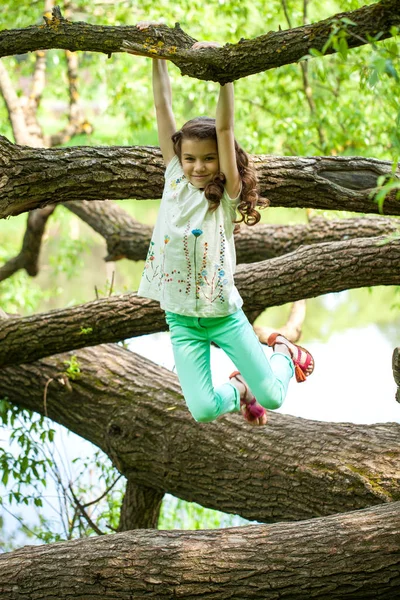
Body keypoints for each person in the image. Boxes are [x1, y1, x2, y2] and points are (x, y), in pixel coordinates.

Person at [131, 23, 314, 426]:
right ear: (180, 157)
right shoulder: (175, 177)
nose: (198, 166)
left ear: (222, 159)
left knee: (275, 396)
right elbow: (163, 108)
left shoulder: (226, 194)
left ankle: (284, 352)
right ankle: (240, 390)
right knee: (204, 409)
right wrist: (157, 56)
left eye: (208, 158)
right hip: (180, 318)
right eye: (191, 158)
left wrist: (225, 75)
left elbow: (226, 128)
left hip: (223, 314)